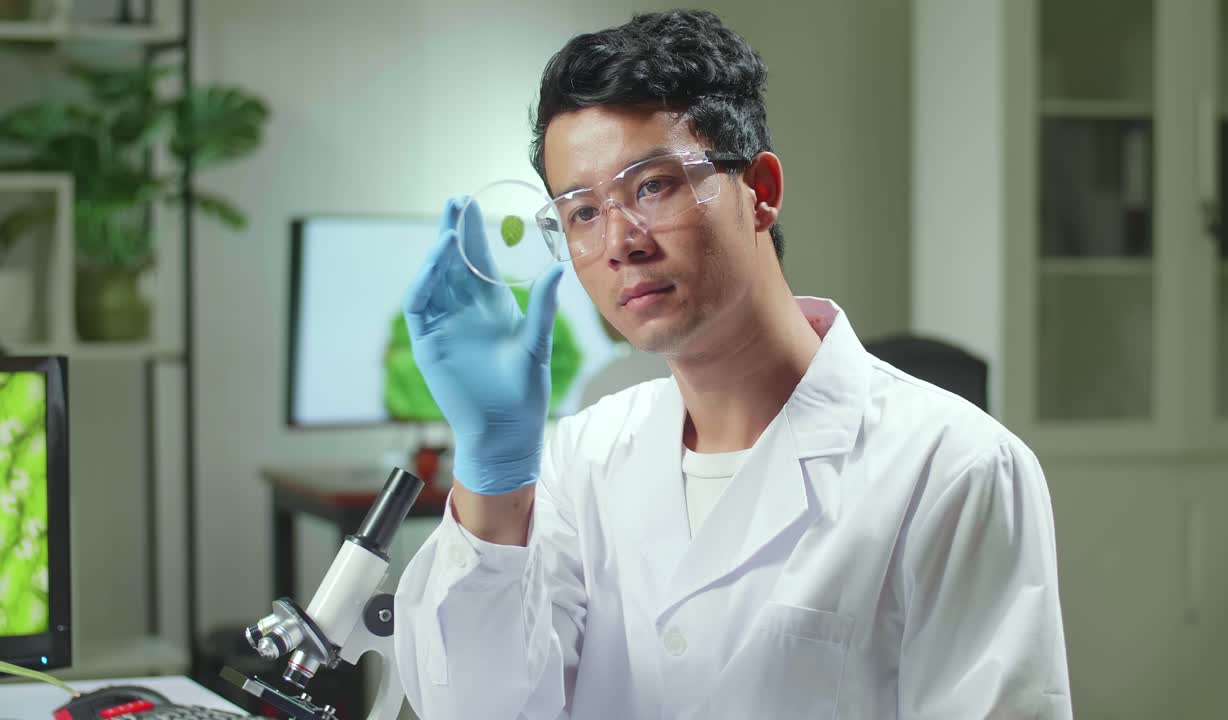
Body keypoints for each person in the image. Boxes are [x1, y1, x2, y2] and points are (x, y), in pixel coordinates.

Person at [394, 9, 1072, 719]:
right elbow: (477, 706)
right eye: (582, 212)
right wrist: (492, 474)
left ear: (762, 191)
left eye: (652, 185)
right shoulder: (583, 459)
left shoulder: (952, 467)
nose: (620, 242)